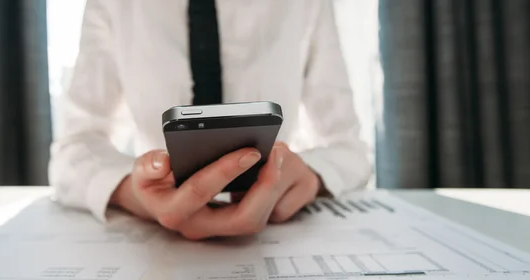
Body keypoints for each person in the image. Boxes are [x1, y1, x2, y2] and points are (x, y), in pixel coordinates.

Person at [49, 0, 371, 240]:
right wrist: (136, 194)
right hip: (158, 244)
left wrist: (309, 176)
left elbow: (349, 149)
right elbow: (73, 149)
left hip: (277, 233)